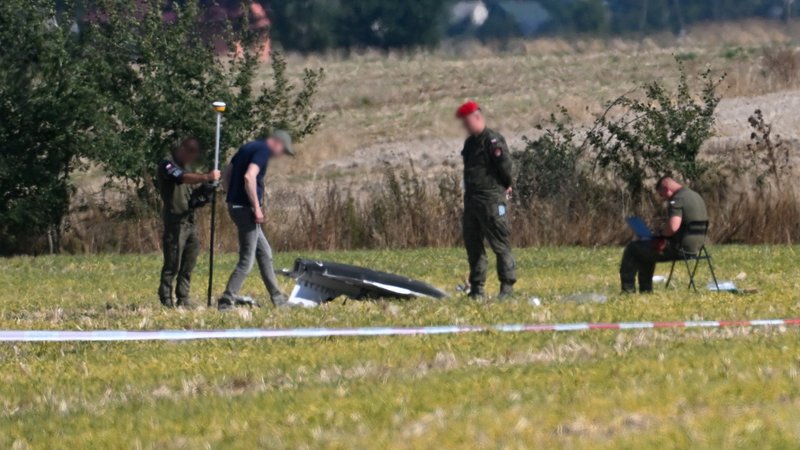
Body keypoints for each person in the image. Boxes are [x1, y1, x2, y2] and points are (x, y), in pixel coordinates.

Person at [218, 130, 295, 311]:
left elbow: (226, 174)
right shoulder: (263, 151)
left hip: (236, 206)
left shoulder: (248, 147)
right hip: (247, 210)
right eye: (282, 150)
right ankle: (226, 301)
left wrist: (231, 196)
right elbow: (249, 176)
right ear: (277, 143)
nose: (280, 155)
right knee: (247, 259)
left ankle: (278, 299)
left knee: (265, 253)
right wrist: (256, 208)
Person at [456, 100, 517, 300]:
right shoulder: (470, 143)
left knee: (500, 243)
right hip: (472, 201)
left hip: (492, 200)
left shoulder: (492, 141)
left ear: (477, 117)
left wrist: (506, 184)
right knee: (473, 245)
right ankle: (477, 288)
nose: (465, 127)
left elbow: (505, 167)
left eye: (467, 122)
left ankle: (507, 287)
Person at [157, 137, 221, 308]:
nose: (192, 159)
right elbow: (181, 178)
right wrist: (206, 176)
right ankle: (166, 298)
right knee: (173, 263)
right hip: (175, 222)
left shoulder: (188, 169)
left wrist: (207, 189)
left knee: (189, 262)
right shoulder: (167, 165)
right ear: (183, 150)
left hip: (190, 221)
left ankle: (183, 298)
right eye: (191, 154)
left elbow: (192, 198)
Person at [620, 176, 709, 293]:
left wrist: (660, 233)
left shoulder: (677, 199)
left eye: (662, 195)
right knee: (646, 250)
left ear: (667, 189)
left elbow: (673, 227)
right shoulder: (696, 196)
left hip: (680, 248)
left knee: (633, 248)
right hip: (696, 247)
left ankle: (628, 290)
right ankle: (645, 290)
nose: (664, 198)